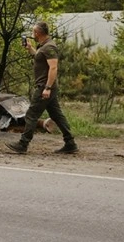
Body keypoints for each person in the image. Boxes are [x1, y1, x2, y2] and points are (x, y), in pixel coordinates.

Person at [6, 22, 79, 154]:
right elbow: (40, 59)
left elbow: (53, 67)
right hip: (47, 86)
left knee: (31, 114)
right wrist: (30, 49)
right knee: (57, 115)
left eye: (34, 31)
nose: (32, 33)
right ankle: (70, 143)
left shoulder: (49, 47)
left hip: (44, 87)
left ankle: (23, 144)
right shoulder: (44, 46)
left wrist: (47, 88)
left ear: (38, 33)